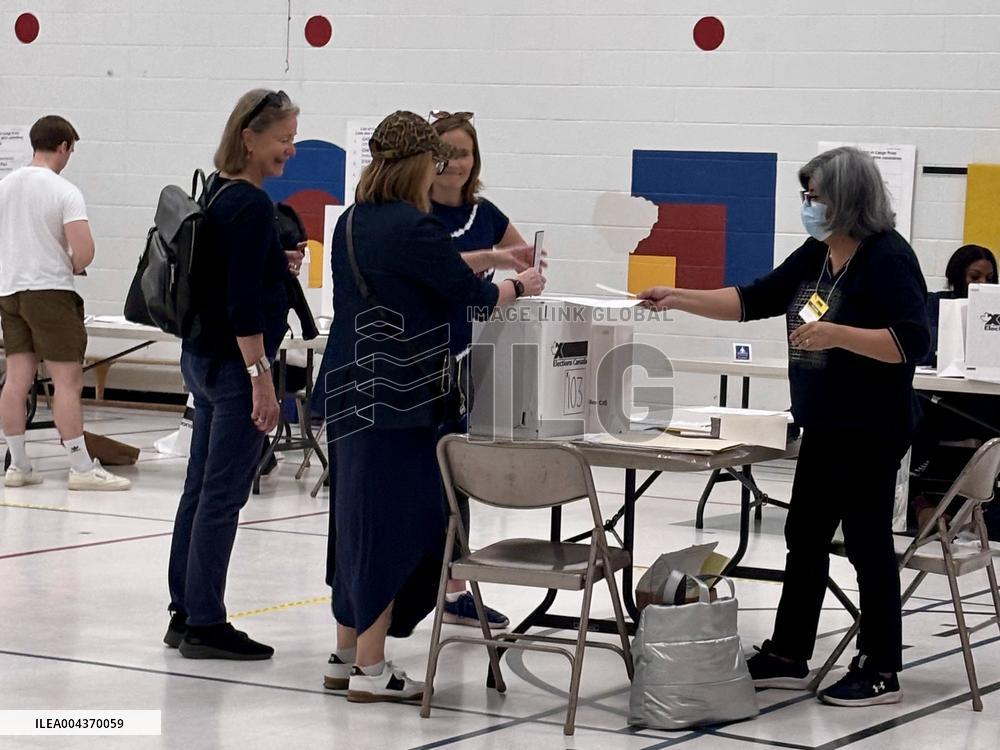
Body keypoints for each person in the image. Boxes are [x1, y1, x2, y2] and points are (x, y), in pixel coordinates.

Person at [640, 146, 930, 707]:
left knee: (868, 546)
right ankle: (790, 653)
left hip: (870, 428)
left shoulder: (888, 257)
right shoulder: (818, 255)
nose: (807, 206)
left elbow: (913, 342)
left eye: (814, 196)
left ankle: (881, 666)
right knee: (804, 539)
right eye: (805, 196)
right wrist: (678, 297)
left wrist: (839, 334)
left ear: (847, 199)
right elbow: (754, 299)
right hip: (823, 424)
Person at [321, 111, 545, 703]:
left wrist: (488, 264)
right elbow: (470, 294)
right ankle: (372, 669)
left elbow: (428, 275)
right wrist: (520, 285)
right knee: (398, 525)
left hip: (350, 386)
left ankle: (346, 654)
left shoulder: (354, 221)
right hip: (399, 397)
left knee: (354, 524)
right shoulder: (413, 226)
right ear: (423, 164)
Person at [164, 89, 298, 660]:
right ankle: (206, 621)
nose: (289, 151)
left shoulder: (218, 188)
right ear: (250, 136)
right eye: (282, 140)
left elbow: (228, 275)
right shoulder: (249, 205)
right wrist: (261, 378)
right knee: (222, 495)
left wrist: (274, 261)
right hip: (234, 366)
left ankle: (184, 609)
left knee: (199, 490)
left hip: (202, 356)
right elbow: (244, 304)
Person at [429, 110, 536, 630]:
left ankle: (454, 588)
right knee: (423, 474)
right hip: (416, 355)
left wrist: (528, 268)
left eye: (464, 153)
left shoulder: (485, 211)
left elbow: (524, 256)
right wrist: (495, 261)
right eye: (445, 152)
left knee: (459, 474)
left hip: (463, 358)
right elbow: (443, 269)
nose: (455, 163)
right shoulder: (415, 213)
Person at [0, 115, 130, 491]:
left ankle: (19, 464)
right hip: (50, 292)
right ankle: (81, 467)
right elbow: (85, 251)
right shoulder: (64, 191)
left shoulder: (5, 185)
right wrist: (72, 262)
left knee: (17, 378)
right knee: (67, 381)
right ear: (63, 147)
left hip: (9, 290)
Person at [911, 245, 999, 531]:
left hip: (983, 401)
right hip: (941, 398)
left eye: (989, 278)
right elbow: (923, 352)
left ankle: (985, 509)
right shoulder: (934, 305)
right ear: (958, 276)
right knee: (911, 410)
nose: (982, 285)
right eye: (975, 277)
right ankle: (920, 502)